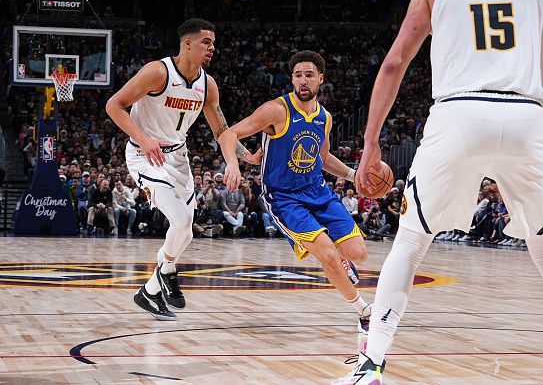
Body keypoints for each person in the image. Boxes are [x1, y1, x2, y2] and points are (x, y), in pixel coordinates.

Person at [334, 0, 543, 383]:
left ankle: (372, 366)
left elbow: (393, 63)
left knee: (410, 243)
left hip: (458, 114)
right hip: (525, 115)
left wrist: (370, 143)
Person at [106, 18, 260, 321]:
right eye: (206, 42)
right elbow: (114, 105)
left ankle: (149, 291)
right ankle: (168, 270)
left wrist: (243, 157)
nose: (212, 48)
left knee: (186, 230)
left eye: (214, 43)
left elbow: (222, 131)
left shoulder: (208, 84)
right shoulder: (157, 72)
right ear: (186, 43)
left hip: (178, 158)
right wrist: (143, 138)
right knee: (178, 221)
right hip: (144, 155)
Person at [219, 50, 372, 333]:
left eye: (309, 75)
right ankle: (364, 311)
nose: (303, 80)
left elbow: (323, 159)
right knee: (326, 253)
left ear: (320, 80)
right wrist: (234, 163)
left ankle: (344, 258)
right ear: (292, 79)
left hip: (318, 191)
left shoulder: (324, 118)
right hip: (284, 197)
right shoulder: (277, 109)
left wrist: (353, 175)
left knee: (359, 253)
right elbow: (228, 134)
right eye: (298, 75)